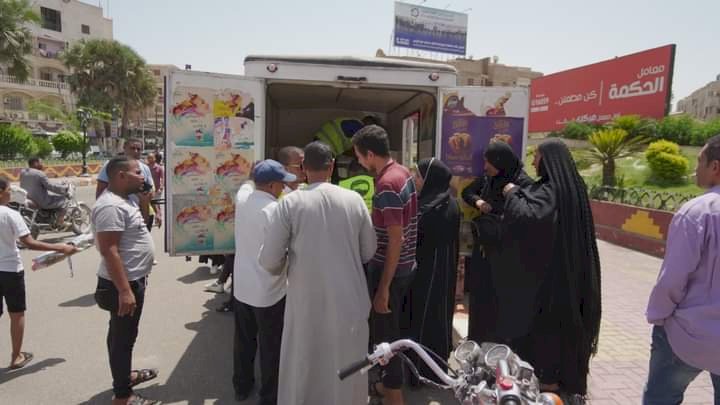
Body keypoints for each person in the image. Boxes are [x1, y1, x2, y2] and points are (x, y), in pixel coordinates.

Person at [259, 142, 377, 405]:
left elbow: (269, 260)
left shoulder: (290, 203)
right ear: (332, 166)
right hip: (349, 300)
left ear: (303, 168)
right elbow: (369, 251)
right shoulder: (354, 200)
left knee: (306, 366)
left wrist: (287, 264)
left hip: (307, 301)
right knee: (347, 367)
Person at [500, 139, 601, 401]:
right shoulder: (572, 187)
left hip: (551, 282)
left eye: (537, 156)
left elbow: (529, 217)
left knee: (546, 335)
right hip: (569, 275)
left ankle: (549, 388)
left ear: (548, 160)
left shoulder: (551, 190)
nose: (533, 162)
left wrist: (512, 193)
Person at [643, 135, 720, 405]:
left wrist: (658, 317)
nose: (695, 168)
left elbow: (672, 280)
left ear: (715, 167)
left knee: (660, 399)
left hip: (687, 335)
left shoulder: (698, 212)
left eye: (699, 161)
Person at [352, 125, 418, 405]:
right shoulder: (402, 172)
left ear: (370, 154)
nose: (358, 162)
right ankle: (385, 387)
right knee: (393, 333)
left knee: (386, 341)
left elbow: (395, 238)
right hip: (406, 267)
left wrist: (383, 289)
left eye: (359, 156)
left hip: (390, 271)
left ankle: (394, 396)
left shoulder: (386, 185)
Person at [92, 156, 158, 405]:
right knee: (123, 339)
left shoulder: (126, 200)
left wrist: (145, 201)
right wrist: (124, 290)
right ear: (121, 176)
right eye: (137, 172)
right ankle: (123, 396)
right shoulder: (111, 206)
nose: (143, 176)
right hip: (122, 284)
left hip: (132, 280)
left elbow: (141, 229)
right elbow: (109, 250)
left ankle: (124, 376)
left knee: (123, 335)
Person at [231, 160, 294, 404]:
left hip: (242, 288)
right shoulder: (275, 211)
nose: (284, 187)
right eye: (282, 183)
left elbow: (247, 183)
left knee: (243, 341)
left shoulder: (243, 199)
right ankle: (269, 396)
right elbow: (279, 253)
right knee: (271, 347)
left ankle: (241, 386)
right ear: (271, 185)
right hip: (269, 292)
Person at [461, 141, 534, 344]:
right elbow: (467, 192)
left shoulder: (522, 182)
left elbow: (529, 214)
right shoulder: (488, 179)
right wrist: (479, 202)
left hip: (506, 254)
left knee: (500, 299)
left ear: (500, 161)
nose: (485, 167)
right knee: (480, 295)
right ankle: (478, 338)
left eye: (489, 162)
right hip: (484, 248)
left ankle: (498, 343)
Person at [0, 176, 77, 370]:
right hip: (10, 270)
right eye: (8, 190)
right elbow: (29, 243)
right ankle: (16, 356)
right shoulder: (10, 214)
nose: (11, 193)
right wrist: (60, 247)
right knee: (16, 313)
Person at [408, 158, 460, 383]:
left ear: (430, 179)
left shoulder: (437, 207)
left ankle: (423, 371)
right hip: (436, 273)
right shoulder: (441, 201)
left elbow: (423, 236)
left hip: (430, 275)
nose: (415, 180)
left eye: (419, 176)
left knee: (425, 319)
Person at [96, 139, 155, 229]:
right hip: (117, 213)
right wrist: (102, 210)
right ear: (124, 148)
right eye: (132, 148)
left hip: (140, 213)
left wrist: (145, 200)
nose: (136, 151)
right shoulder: (113, 165)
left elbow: (150, 191)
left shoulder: (145, 168)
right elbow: (100, 189)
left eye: (139, 149)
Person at [20, 157, 70, 228]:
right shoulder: (40, 174)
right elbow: (50, 186)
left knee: (52, 197)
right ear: (35, 163)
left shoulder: (23, 172)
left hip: (28, 198)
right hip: (41, 201)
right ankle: (60, 221)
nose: (43, 164)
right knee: (64, 200)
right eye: (41, 162)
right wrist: (64, 189)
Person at [146, 153, 164, 228]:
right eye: (148, 158)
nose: (150, 159)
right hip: (149, 190)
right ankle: (152, 218)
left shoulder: (159, 168)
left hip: (157, 189)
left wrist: (161, 187)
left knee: (156, 204)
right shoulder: (146, 167)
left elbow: (162, 178)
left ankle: (158, 218)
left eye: (151, 158)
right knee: (150, 204)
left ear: (154, 158)